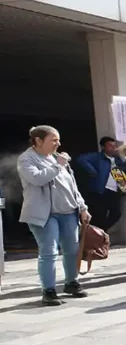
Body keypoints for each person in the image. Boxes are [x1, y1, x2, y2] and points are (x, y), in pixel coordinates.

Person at [18, 126, 92, 306]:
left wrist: (83, 207)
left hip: (69, 212)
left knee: (72, 250)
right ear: (38, 141)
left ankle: (72, 282)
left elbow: (72, 185)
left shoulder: (56, 158)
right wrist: (58, 165)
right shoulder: (26, 159)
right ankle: (49, 290)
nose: (58, 144)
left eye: (58, 140)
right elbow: (37, 178)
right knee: (49, 252)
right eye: (53, 140)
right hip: (45, 214)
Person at [73, 136, 126, 230]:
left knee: (116, 214)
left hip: (114, 191)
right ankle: (99, 234)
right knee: (100, 215)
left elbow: (125, 171)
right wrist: (92, 171)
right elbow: (81, 159)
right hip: (101, 191)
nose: (113, 148)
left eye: (114, 146)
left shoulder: (118, 160)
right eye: (110, 146)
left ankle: (102, 230)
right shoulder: (97, 157)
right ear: (103, 147)